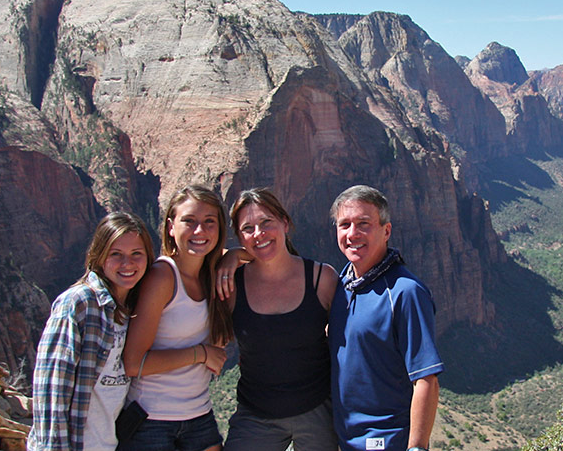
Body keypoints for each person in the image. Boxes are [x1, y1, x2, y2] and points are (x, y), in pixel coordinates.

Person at [221, 188, 340, 451]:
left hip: (319, 412)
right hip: (255, 415)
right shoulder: (231, 285)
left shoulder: (323, 280)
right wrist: (229, 257)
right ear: (240, 237)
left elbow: (350, 343)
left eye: (266, 223)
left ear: (285, 223)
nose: (259, 234)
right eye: (248, 228)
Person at [327, 185, 443, 451]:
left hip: (386, 442)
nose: (352, 234)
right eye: (344, 224)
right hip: (342, 440)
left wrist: (416, 448)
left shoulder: (405, 292)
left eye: (363, 224)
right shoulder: (341, 284)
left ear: (386, 230)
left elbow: (426, 379)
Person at [29, 212, 155, 451]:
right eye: (115, 254)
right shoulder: (79, 304)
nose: (127, 264)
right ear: (99, 256)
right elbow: (51, 393)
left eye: (136, 254)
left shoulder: (135, 310)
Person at [121, 185, 234, 451]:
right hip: (151, 421)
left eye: (209, 222)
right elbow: (133, 363)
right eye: (189, 221)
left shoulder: (211, 273)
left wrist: (234, 257)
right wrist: (202, 354)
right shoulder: (162, 277)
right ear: (171, 226)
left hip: (199, 416)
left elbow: (264, 252)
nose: (199, 231)